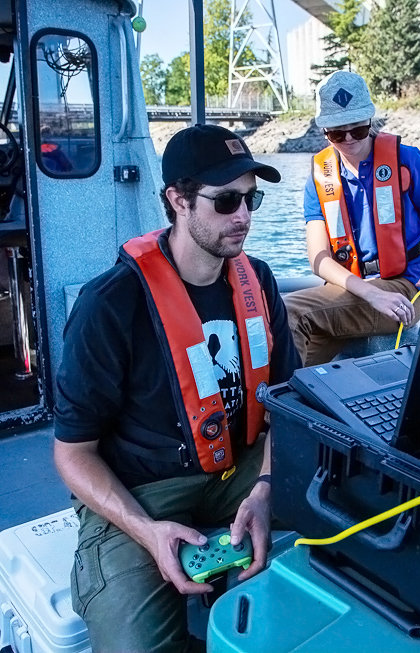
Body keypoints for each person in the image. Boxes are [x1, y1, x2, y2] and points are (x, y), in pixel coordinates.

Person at [53, 124, 300, 653]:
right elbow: (73, 455)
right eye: (227, 200)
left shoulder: (260, 280)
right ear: (178, 201)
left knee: (346, 542)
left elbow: (287, 404)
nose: (244, 216)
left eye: (251, 198)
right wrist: (147, 532)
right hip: (142, 491)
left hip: (242, 471)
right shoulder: (109, 305)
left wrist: (265, 486)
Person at [284, 71, 420, 366]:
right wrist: (369, 293)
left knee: (290, 310)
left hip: (404, 289)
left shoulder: (406, 159)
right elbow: (318, 257)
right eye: (338, 133)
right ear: (325, 133)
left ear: (371, 122)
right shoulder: (319, 177)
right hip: (351, 290)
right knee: (290, 368)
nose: (349, 140)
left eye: (358, 130)